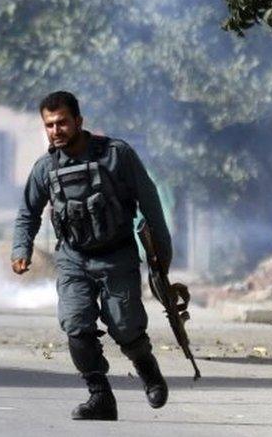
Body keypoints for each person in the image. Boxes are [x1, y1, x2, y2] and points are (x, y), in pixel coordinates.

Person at [12, 90, 171, 421]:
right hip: (73, 258)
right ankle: (100, 396)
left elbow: (149, 199)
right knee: (76, 325)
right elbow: (28, 212)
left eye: (62, 123)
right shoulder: (45, 168)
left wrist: (161, 253)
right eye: (49, 125)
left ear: (79, 121)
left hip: (117, 255)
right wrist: (20, 249)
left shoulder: (116, 155)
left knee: (126, 327)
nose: (56, 131)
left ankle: (148, 370)